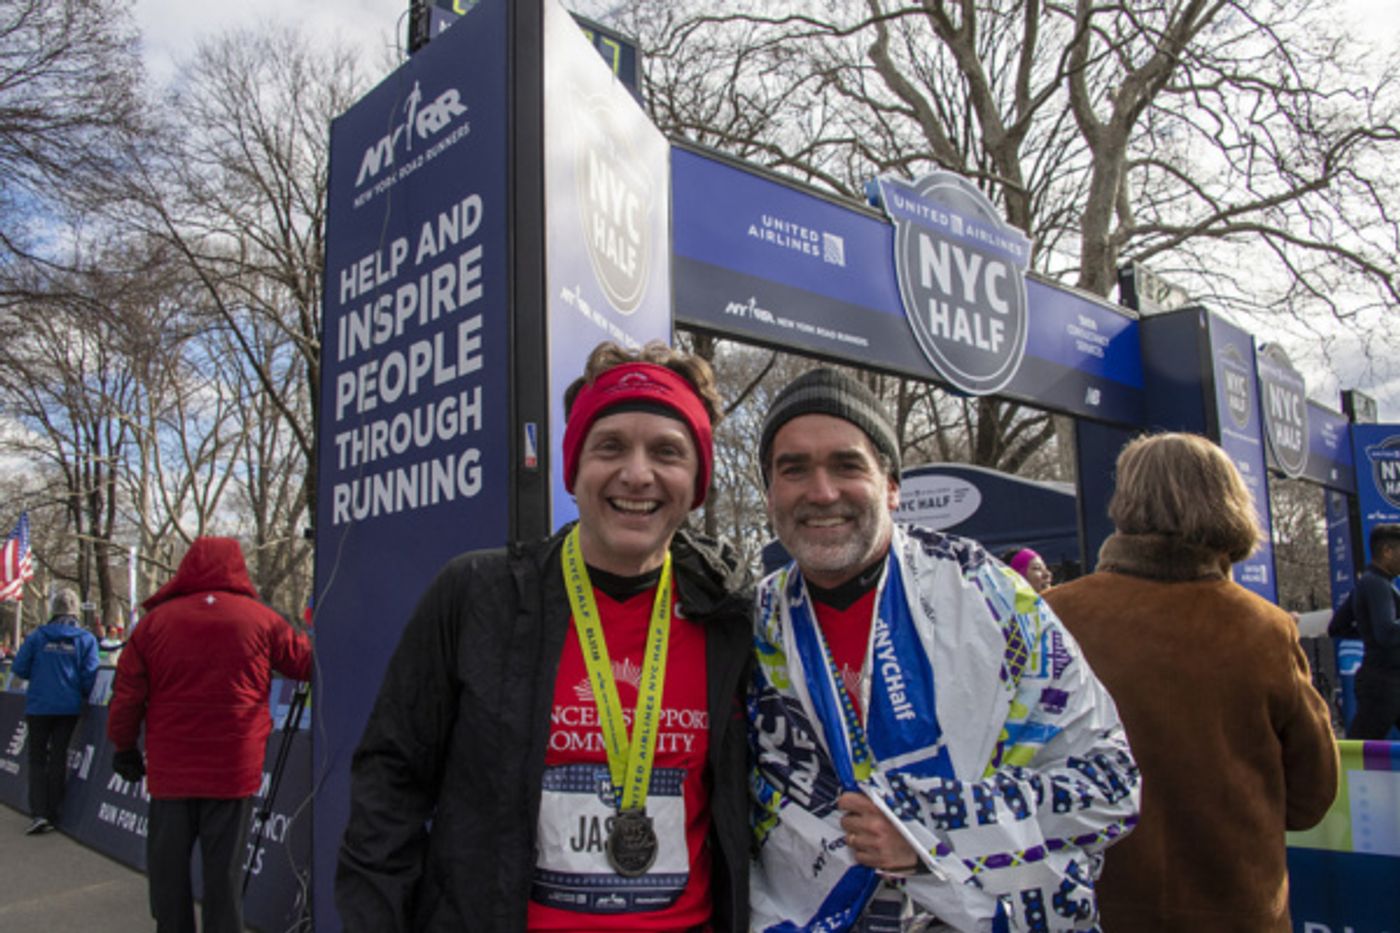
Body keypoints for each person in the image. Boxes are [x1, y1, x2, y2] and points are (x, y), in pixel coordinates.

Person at [336, 342, 753, 932]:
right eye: (610, 446)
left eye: (667, 452)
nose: (637, 474)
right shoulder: (477, 595)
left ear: (697, 480)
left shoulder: (728, 620)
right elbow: (390, 783)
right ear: (574, 467)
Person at [749, 368, 1140, 931]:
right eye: (794, 470)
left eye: (847, 465)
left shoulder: (990, 596)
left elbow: (1111, 786)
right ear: (770, 492)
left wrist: (931, 828)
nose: (822, 491)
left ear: (891, 484)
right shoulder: (757, 624)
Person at [1044, 432, 1339, 931]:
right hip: (1235, 911)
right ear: (1228, 503)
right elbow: (1312, 795)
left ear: (1126, 502)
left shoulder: (1054, 616)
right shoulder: (1264, 629)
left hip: (1091, 909)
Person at [107, 537, 312, 933]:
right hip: (233, 770)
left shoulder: (155, 623)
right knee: (225, 876)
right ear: (237, 569)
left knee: (169, 873)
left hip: (172, 771)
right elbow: (305, 665)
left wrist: (123, 746)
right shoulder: (262, 619)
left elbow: (127, 693)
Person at [12, 588, 99, 835]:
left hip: (39, 705)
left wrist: (40, 675)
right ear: (75, 611)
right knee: (59, 756)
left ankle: (39, 813)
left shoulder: (38, 636)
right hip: (68, 706)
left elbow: (19, 668)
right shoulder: (85, 639)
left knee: (37, 758)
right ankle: (53, 811)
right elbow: (89, 676)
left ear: (53, 609)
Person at [1342, 522, 1400, 739]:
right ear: (1387, 551)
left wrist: (1369, 633)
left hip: (1382, 680)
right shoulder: (1377, 584)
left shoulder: (1366, 584)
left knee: (1361, 747)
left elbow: (1338, 626)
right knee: (1360, 749)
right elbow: (1386, 632)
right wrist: (1374, 634)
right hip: (1384, 685)